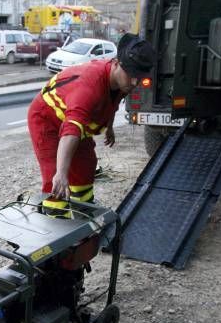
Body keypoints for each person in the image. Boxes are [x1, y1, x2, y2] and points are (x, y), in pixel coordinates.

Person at [27, 33, 155, 215]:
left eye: (140, 77)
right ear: (116, 63)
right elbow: (71, 131)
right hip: (46, 119)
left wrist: (109, 127)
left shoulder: (122, 81)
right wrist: (62, 172)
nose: (135, 82)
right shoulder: (89, 87)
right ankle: (55, 223)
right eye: (132, 76)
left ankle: (82, 213)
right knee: (54, 176)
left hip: (77, 122)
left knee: (86, 164)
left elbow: (114, 102)